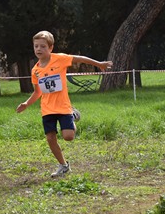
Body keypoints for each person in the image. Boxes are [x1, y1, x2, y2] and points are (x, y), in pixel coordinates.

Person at [16, 30, 113, 177]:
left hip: (62, 106)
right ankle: (63, 165)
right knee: (50, 138)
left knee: (68, 136)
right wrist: (26, 104)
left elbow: (79, 58)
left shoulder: (59, 59)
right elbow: (37, 92)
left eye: (43, 46)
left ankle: (72, 115)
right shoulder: (35, 70)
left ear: (50, 48)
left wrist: (98, 64)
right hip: (47, 109)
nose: (39, 49)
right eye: (36, 46)